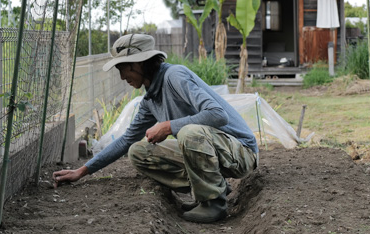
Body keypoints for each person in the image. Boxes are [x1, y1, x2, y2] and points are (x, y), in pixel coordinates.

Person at [53, 33, 259, 223]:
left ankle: (215, 203)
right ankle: (211, 188)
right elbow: (126, 140)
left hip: (240, 152)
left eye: (122, 68)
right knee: (138, 152)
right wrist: (82, 171)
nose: (122, 76)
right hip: (218, 151)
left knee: (189, 132)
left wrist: (169, 126)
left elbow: (217, 115)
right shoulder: (150, 99)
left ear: (139, 63)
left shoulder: (174, 76)